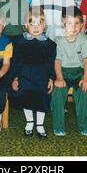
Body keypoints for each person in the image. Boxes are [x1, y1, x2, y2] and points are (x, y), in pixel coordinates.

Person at [10, 8, 56, 139]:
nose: (35, 27)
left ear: (44, 25)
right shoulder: (19, 42)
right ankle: (29, 121)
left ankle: (40, 124)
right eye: (32, 23)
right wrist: (15, 78)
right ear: (26, 25)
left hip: (42, 76)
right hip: (25, 75)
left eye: (39, 23)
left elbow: (51, 62)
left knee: (42, 96)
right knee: (26, 96)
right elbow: (15, 62)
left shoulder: (50, 44)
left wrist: (51, 78)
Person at [51, 7, 87, 136]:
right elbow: (57, 61)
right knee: (57, 92)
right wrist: (59, 78)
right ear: (63, 24)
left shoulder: (84, 39)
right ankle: (58, 125)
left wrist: (86, 78)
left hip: (79, 72)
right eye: (69, 23)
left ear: (81, 25)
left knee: (85, 91)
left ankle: (84, 124)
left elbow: (86, 60)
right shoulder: (58, 40)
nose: (73, 27)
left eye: (77, 23)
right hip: (62, 72)